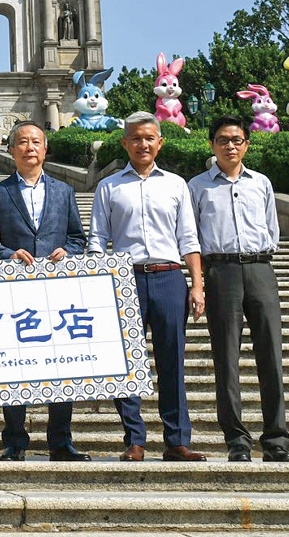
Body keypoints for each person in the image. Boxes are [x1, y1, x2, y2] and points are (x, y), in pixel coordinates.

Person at [88, 111, 206, 462]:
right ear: (124, 143)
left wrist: (197, 285)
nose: (143, 144)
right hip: (125, 279)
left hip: (169, 277)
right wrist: (98, 281)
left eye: (149, 138)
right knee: (126, 362)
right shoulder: (109, 186)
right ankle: (134, 439)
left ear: (160, 143)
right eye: (136, 138)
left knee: (173, 360)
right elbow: (97, 239)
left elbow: (189, 238)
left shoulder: (176, 185)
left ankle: (177, 440)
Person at [0, 120, 89, 462]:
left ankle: (61, 441)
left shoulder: (64, 191)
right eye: (23, 142)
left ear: (45, 149)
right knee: (14, 367)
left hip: (56, 291)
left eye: (36, 142)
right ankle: (15, 441)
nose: (30, 148)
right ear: (11, 151)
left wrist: (68, 252)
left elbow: (77, 238)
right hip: (15, 292)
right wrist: (9, 254)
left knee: (61, 366)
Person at [188, 115, 289, 463]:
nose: (230, 146)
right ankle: (236, 441)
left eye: (236, 140)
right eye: (222, 140)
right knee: (226, 358)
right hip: (221, 271)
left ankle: (276, 440)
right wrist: (199, 281)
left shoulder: (261, 183)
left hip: (261, 268)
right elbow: (191, 236)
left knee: (271, 355)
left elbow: (272, 229)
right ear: (212, 145)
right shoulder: (197, 187)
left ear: (247, 144)